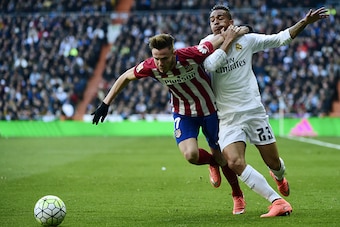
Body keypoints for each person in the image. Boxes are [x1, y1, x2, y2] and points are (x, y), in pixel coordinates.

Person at [91, 30, 249, 214]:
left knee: (223, 157)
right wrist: (105, 103)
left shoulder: (192, 55)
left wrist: (238, 30)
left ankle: (237, 194)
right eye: (156, 58)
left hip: (210, 110)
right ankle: (212, 163)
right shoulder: (151, 67)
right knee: (191, 155)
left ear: (173, 53)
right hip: (183, 113)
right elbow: (126, 76)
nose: (160, 63)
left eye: (164, 58)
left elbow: (220, 38)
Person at [200, 5, 329, 217]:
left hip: (253, 112)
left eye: (220, 18)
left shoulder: (248, 40)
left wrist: (304, 22)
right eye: (212, 19)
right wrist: (228, 40)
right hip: (228, 117)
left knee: (274, 163)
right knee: (233, 161)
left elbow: (280, 38)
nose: (215, 22)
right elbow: (211, 66)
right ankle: (277, 201)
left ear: (231, 22)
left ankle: (279, 177)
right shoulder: (206, 45)